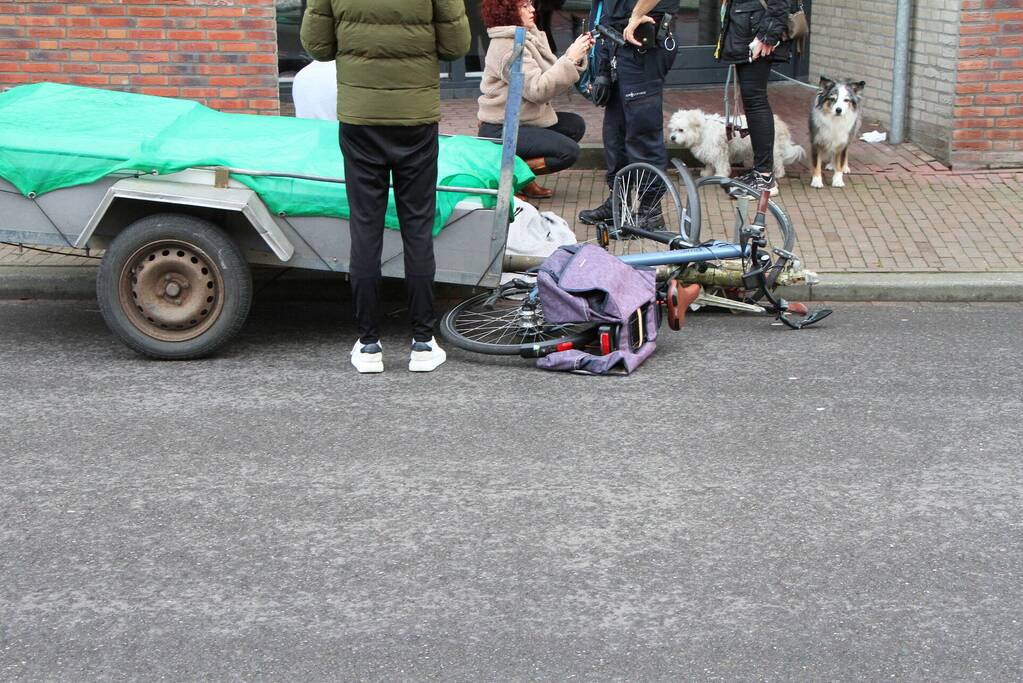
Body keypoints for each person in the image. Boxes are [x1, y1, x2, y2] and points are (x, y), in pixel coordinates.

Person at [301, 0, 470, 374]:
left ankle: (368, 344)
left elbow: (317, 47)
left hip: (361, 119)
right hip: (415, 119)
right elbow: (457, 46)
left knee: (365, 228)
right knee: (417, 229)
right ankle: (423, 343)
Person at [477, 0, 593, 200]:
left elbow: (549, 74)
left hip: (523, 121)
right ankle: (509, 178)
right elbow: (538, 90)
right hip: (501, 127)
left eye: (531, 3)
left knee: (574, 125)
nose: (532, 9)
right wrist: (570, 60)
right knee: (567, 152)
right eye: (524, 6)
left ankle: (521, 178)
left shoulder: (529, 35)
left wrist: (576, 54)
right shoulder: (508, 46)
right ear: (508, 12)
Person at [578, 0, 679, 227]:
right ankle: (618, 202)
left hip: (642, 42)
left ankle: (650, 211)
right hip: (616, 42)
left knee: (643, 130)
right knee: (615, 132)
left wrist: (636, 14)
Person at [715, 0, 792, 197]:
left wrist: (766, 36)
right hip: (748, 31)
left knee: (756, 102)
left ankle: (764, 178)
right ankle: (761, 173)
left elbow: (780, 3)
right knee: (753, 102)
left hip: (755, 34)